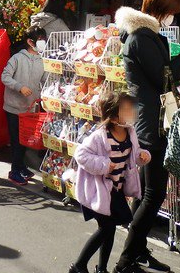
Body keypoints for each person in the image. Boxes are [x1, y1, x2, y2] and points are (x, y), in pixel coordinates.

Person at [113, 0, 180, 273]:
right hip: (151, 124)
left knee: (145, 193)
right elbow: (165, 77)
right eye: (171, 13)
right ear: (161, 11)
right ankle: (126, 260)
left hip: (150, 120)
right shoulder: (141, 37)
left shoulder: (145, 35)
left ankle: (137, 251)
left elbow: (162, 74)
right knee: (153, 193)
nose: (173, 18)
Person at [71, 89, 151, 273]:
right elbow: (80, 155)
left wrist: (143, 156)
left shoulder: (130, 132)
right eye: (127, 109)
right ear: (114, 116)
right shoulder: (100, 136)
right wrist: (104, 165)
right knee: (106, 228)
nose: (132, 112)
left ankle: (102, 269)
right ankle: (78, 266)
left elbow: (134, 154)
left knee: (110, 228)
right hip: (99, 190)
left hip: (115, 189)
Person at [2, 26, 47, 186]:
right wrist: (19, 86)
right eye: (40, 40)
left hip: (30, 109)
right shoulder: (17, 59)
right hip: (13, 107)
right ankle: (14, 171)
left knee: (26, 139)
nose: (43, 43)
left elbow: (44, 81)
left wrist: (43, 96)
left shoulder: (42, 60)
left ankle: (21, 166)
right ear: (30, 41)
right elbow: (5, 77)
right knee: (17, 140)